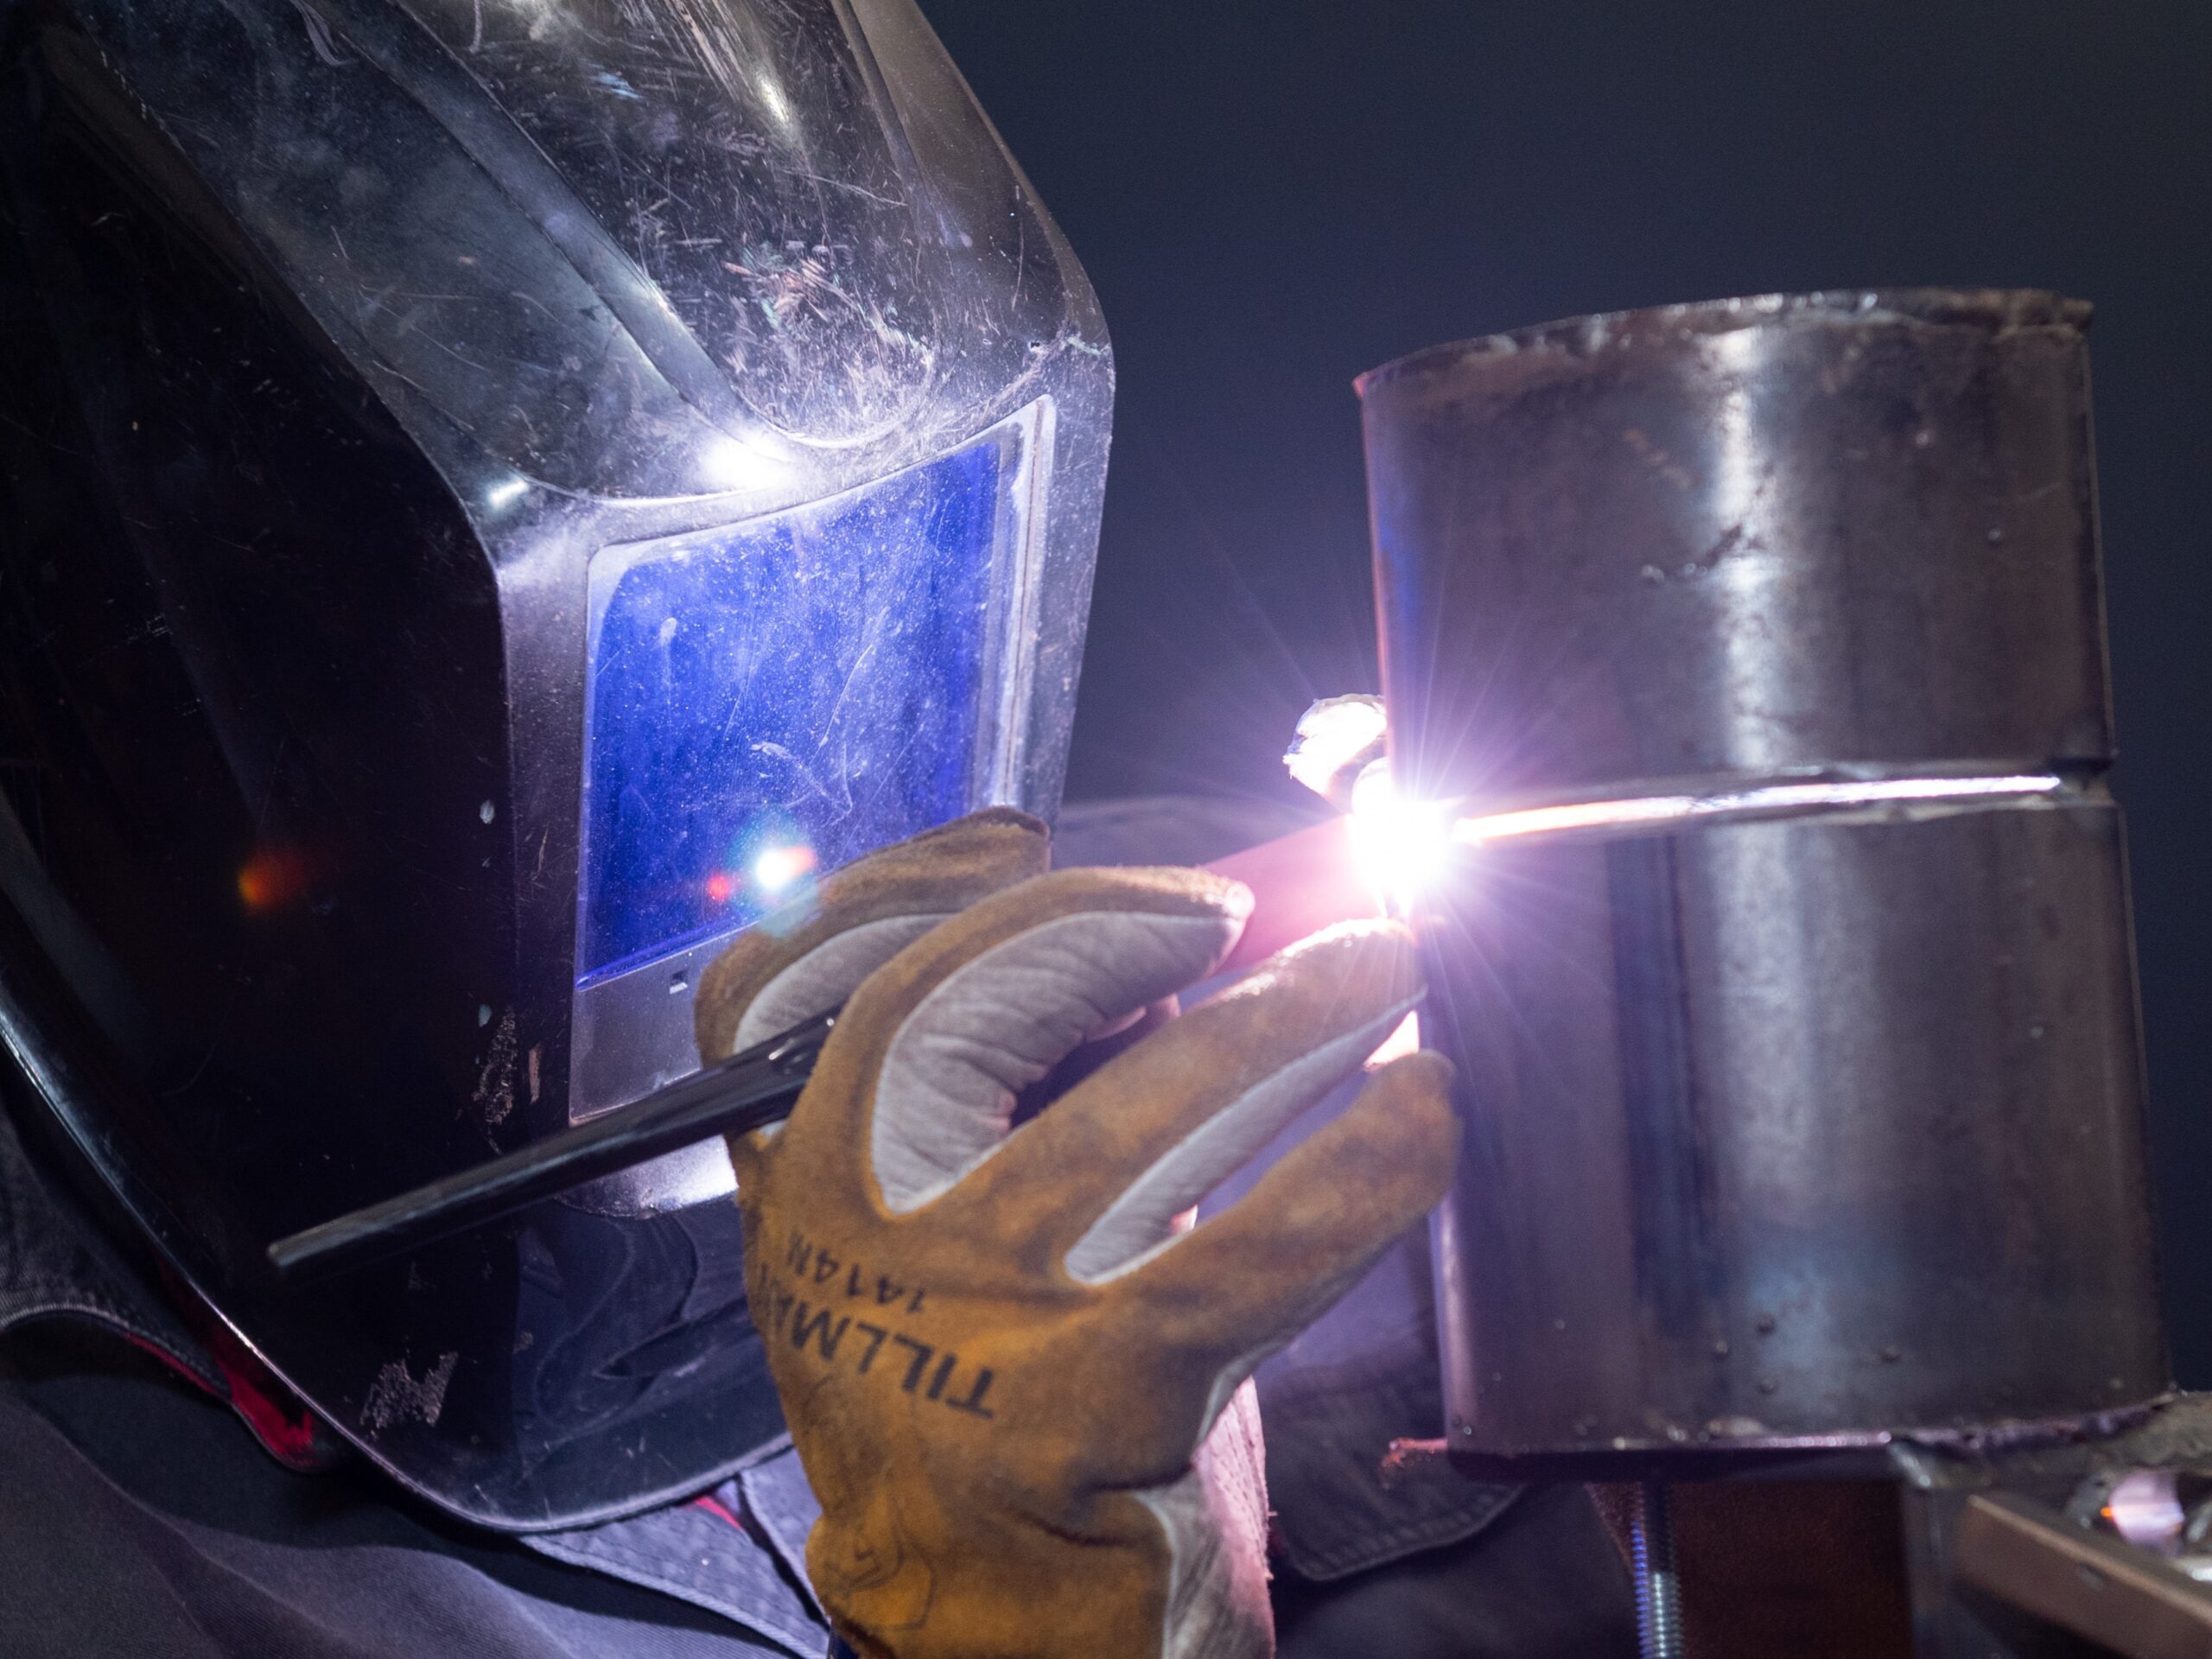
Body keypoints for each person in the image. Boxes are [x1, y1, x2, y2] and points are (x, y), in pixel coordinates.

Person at [0, 0, 1634, 1651]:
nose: (790, 842)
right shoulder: (76, 1560)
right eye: (687, 698)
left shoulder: (1312, 1048)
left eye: (892, 606)